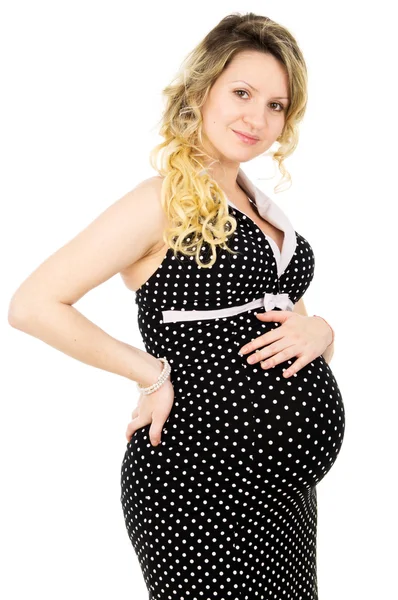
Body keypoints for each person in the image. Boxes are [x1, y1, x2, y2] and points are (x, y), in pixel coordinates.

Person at [8, 12, 345, 600]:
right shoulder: (162, 200)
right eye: (242, 92)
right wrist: (150, 373)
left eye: (275, 104)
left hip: (285, 496)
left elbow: (294, 320)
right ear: (202, 89)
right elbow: (34, 304)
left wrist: (320, 331)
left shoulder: (256, 201)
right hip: (198, 488)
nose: (257, 117)